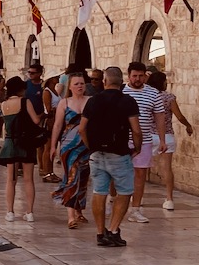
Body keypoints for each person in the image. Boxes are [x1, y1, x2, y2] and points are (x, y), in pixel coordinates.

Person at [79, 66, 142, 247]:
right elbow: (136, 130)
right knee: (124, 192)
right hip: (119, 153)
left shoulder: (93, 101)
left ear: (105, 82)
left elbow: (82, 128)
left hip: (97, 153)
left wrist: (90, 146)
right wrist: (136, 148)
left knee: (99, 192)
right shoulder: (128, 101)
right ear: (121, 83)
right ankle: (114, 230)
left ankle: (100, 232)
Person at [121, 62, 167, 223]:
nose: (137, 79)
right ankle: (112, 201)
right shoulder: (121, 92)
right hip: (122, 141)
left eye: (141, 76)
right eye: (134, 76)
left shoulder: (153, 93)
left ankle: (135, 209)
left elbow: (160, 117)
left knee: (140, 174)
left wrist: (162, 139)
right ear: (128, 75)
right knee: (118, 174)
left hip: (145, 141)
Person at [147, 70, 193, 210]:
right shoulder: (169, 97)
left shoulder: (148, 96)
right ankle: (169, 199)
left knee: (141, 167)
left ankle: (136, 196)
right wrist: (188, 126)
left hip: (149, 135)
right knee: (167, 168)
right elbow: (179, 116)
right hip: (166, 136)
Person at [51, 71, 92, 229]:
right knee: (71, 177)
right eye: (76, 84)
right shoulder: (64, 103)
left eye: (82, 83)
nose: (80, 86)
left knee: (83, 178)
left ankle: (79, 210)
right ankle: (71, 216)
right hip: (69, 146)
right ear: (70, 87)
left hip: (86, 145)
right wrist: (53, 146)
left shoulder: (91, 101)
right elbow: (57, 125)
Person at [0, 76, 41, 223]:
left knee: (11, 179)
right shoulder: (25, 101)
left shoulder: (3, 105)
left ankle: (10, 212)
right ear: (21, 89)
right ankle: (29, 212)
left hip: (10, 143)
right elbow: (35, 120)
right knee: (29, 179)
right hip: (26, 143)